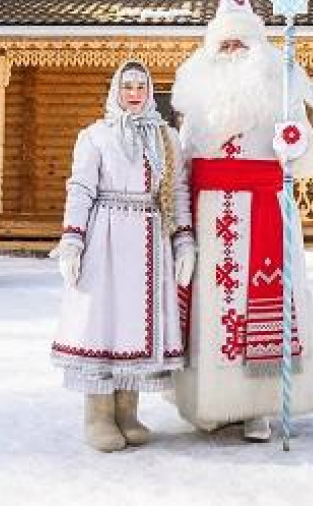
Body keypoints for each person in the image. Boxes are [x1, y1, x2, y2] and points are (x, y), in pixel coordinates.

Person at [170, 0, 313, 442]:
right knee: (210, 311)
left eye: (241, 42)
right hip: (208, 217)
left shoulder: (280, 90)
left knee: (256, 306)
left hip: (263, 212)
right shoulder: (197, 100)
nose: (233, 50)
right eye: (225, 43)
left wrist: (297, 146)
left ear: (257, 46)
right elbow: (184, 158)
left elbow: (308, 154)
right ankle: (212, 404)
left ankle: (257, 406)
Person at [50, 60, 197, 452]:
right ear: (116, 90)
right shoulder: (95, 136)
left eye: (141, 86)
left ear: (150, 92)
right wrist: (72, 240)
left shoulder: (167, 138)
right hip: (106, 239)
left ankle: (127, 410)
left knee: (136, 324)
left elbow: (179, 192)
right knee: (104, 321)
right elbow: (80, 189)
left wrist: (184, 243)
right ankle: (98, 414)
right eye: (127, 86)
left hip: (150, 241)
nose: (134, 93)